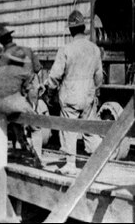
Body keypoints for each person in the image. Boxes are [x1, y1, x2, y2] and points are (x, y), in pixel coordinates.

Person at [44, 10, 104, 175]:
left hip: (71, 94)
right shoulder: (94, 49)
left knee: (68, 128)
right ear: (83, 28)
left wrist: (50, 92)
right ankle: (100, 159)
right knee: (90, 127)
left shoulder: (66, 49)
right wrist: (93, 89)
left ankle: (70, 164)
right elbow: (99, 76)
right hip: (89, 94)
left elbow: (55, 76)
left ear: (70, 30)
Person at [0, 47, 43, 167]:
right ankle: (37, 158)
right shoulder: (23, 72)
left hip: (0, 105)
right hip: (15, 102)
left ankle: (16, 149)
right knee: (36, 126)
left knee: (11, 122)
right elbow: (28, 87)